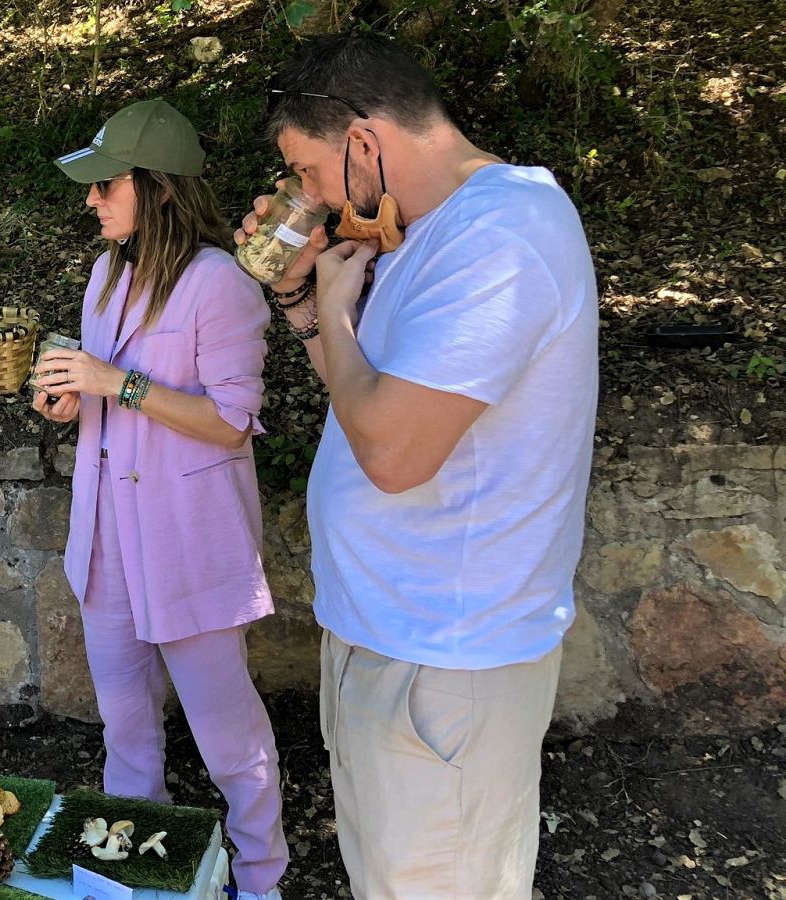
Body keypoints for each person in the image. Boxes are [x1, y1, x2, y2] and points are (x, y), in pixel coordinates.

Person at [239, 33, 598, 899]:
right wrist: (298, 294)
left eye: (310, 172)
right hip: (391, 638)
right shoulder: (428, 235)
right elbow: (363, 410)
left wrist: (333, 299)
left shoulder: (503, 236)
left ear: (365, 142)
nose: (309, 199)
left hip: (445, 665)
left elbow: (394, 456)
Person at [35, 98, 289, 900]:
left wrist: (119, 383)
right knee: (126, 727)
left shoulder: (223, 285)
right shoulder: (106, 274)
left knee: (228, 737)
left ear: (161, 188)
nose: (92, 199)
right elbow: (105, 398)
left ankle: (261, 876)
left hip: (188, 544)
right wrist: (73, 399)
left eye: (106, 184)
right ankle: (138, 873)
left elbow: (231, 421)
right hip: (107, 540)